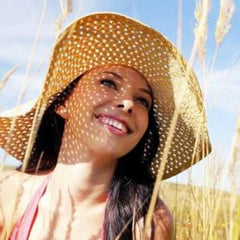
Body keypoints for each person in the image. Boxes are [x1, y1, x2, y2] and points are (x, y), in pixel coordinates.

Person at [0, 13, 211, 240]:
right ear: (63, 103)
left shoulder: (147, 224)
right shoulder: (11, 193)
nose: (128, 103)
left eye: (143, 101)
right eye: (108, 82)